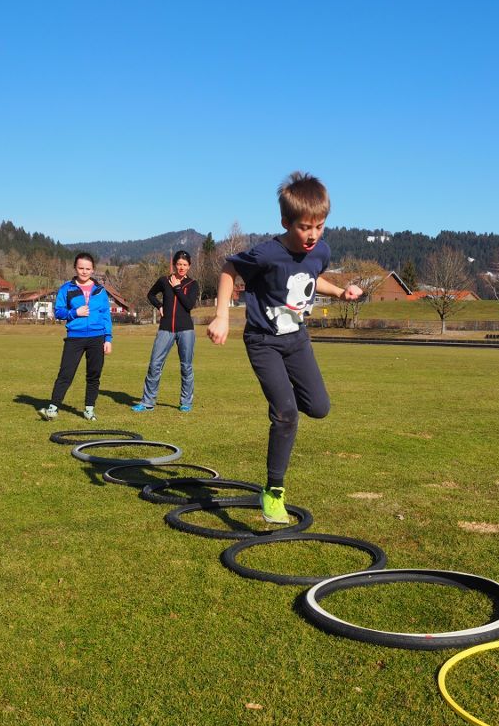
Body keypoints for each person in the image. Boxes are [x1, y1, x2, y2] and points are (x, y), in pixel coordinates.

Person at [207, 171, 362, 524]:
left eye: (319, 226)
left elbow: (312, 276)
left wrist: (340, 291)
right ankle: (273, 490)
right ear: (286, 222)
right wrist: (221, 316)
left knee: (320, 408)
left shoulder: (321, 250)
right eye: (305, 227)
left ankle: (286, 405)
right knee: (286, 413)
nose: (313, 235)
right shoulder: (267, 254)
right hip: (263, 342)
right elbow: (229, 269)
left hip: (297, 340)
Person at [38, 252, 112, 421]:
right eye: (81, 268)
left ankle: (89, 409)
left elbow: (106, 316)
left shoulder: (100, 291)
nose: (84, 272)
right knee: (66, 373)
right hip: (75, 337)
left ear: (93, 270)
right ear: (75, 268)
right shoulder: (66, 289)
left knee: (94, 375)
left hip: (97, 337)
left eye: (87, 268)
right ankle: (53, 408)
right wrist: (75, 312)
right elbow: (58, 312)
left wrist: (108, 339)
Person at [132, 250, 199, 413]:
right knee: (155, 364)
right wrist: (159, 305)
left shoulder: (193, 284)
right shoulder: (164, 281)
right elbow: (150, 294)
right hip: (166, 329)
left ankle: (186, 402)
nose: (181, 267)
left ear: (189, 266)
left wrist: (177, 288)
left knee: (186, 367)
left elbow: (189, 305)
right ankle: (147, 402)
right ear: (174, 265)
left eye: (185, 265)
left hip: (186, 330)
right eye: (179, 264)